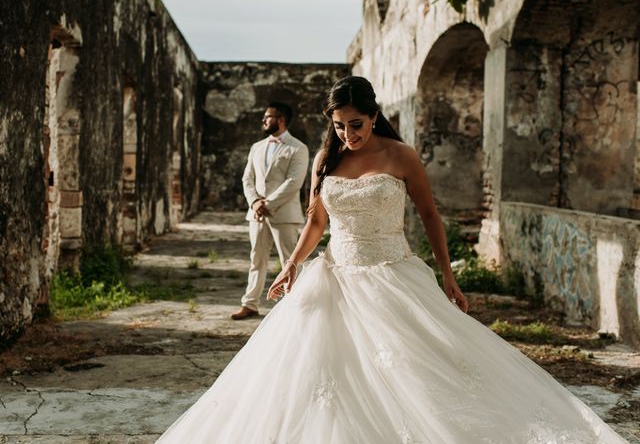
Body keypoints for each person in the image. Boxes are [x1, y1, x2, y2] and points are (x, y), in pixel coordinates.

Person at [157, 77, 628, 443]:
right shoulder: (326, 160)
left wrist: (448, 275)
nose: (348, 134)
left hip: (394, 274)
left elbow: (428, 214)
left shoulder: (402, 156)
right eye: (339, 125)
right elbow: (317, 224)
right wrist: (291, 265)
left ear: (374, 116)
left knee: (421, 372)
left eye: (356, 125)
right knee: (325, 376)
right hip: (337, 277)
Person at [231, 102, 309, 320]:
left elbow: (294, 181)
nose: (264, 120)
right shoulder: (257, 147)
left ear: (281, 119)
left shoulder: (298, 148)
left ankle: (296, 305)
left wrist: (268, 204)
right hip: (256, 214)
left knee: (290, 261)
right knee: (256, 258)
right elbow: (248, 178)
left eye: (268, 117)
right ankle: (250, 303)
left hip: (284, 214)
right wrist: (255, 202)